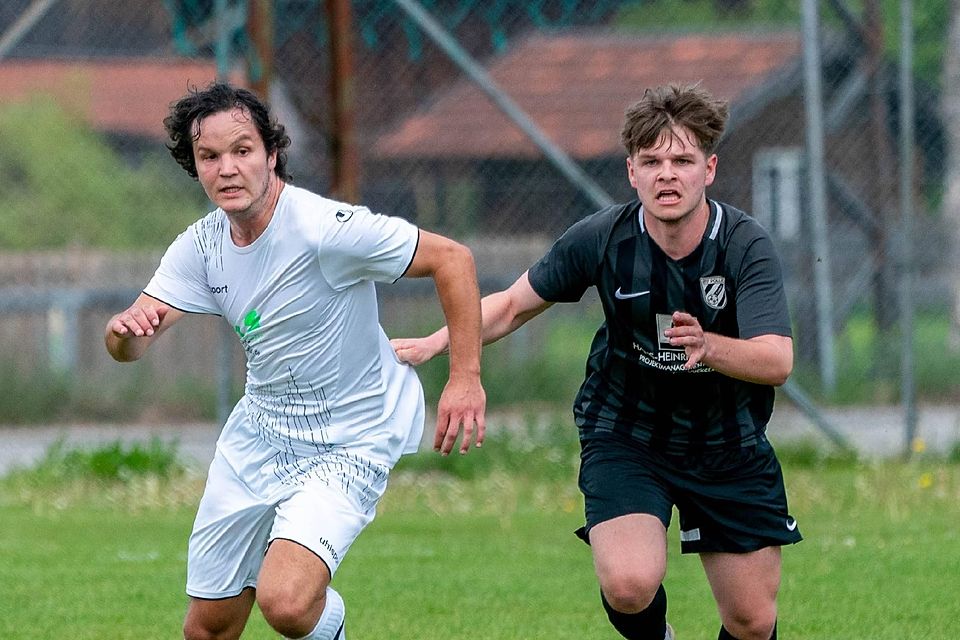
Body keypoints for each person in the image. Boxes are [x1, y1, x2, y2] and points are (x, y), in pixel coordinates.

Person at [391, 83, 801, 640]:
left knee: (752, 622)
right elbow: (511, 305)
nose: (667, 175)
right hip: (627, 433)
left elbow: (777, 360)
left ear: (709, 168)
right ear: (631, 172)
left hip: (726, 441)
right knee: (629, 584)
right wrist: (441, 340)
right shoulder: (604, 238)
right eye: (651, 161)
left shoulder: (744, 245)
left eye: (682, 160)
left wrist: (710, 347)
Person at [105, 82, 486, 640]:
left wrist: (465, 378)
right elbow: (134, 340)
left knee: (285, 602)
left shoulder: (326, 230)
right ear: (195, 166)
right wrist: (123, 333)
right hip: (259, 437)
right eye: (209, 157)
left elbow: (454, 259)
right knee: (207, 629)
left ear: (272, 153)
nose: (227, 168)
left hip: (350, 437)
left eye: (242, 150)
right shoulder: (202, 246)